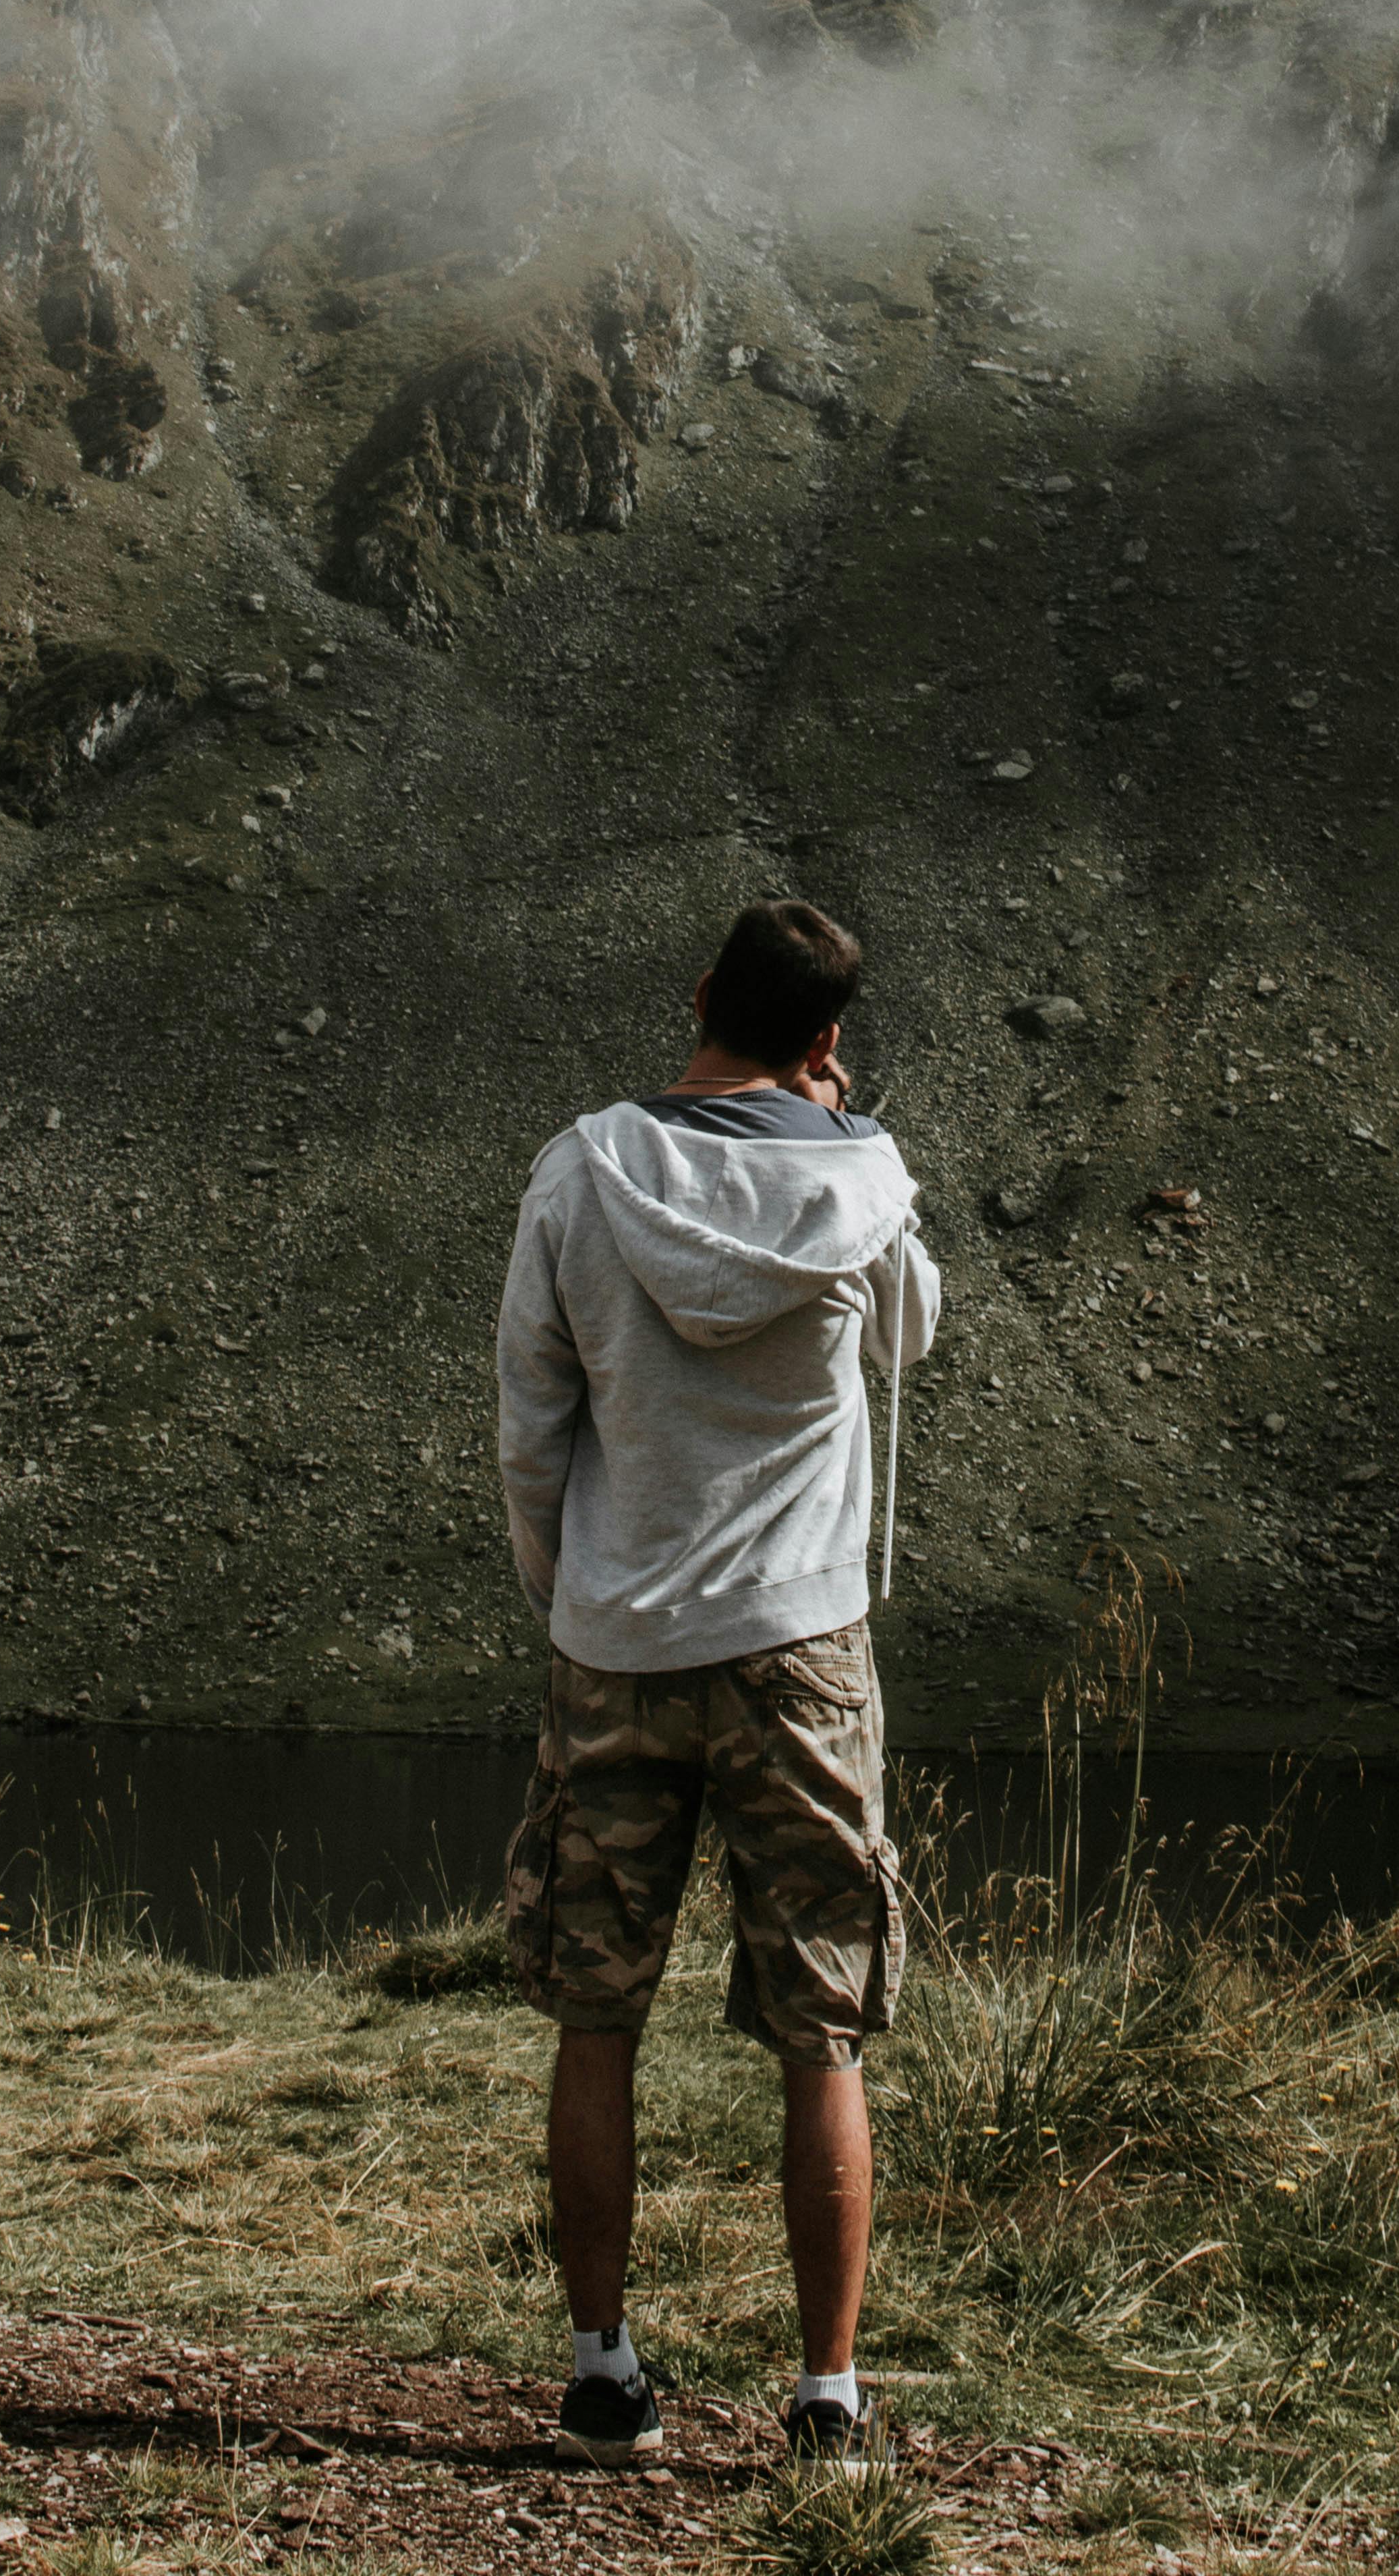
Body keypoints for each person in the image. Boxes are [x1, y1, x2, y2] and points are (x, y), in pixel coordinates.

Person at [496, 898, 940, 2472]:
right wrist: (841, 1132)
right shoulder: (864, 1180)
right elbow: (910, 1335)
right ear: (824, 1041)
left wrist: (579, 1600)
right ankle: (826, 2399)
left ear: (697, 995)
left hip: (618, 1643)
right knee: (823, 2026)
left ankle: (604, 2370)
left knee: (596, 2017)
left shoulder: (582, 1169)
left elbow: (532, 1418)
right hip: (801, 1649)